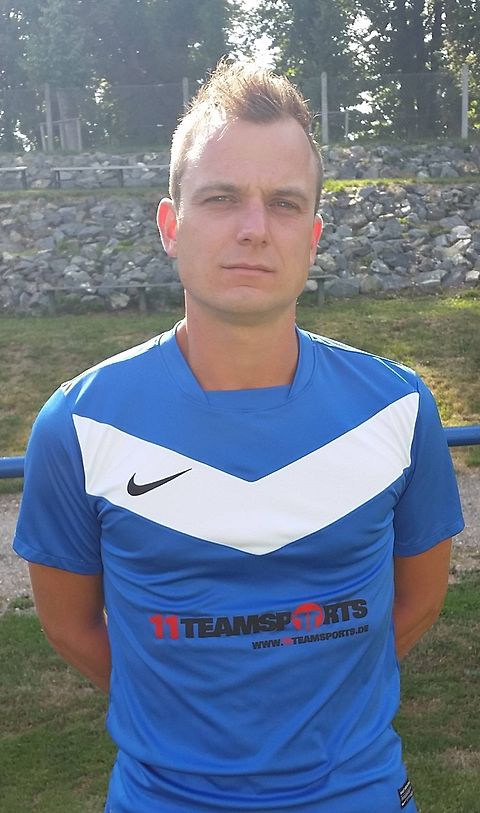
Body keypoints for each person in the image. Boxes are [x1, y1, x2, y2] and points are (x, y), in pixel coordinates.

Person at [13, 61, 464, 813]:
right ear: (171, 225)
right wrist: (179, 718)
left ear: (313, 237)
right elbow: (69, 625)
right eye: (221, 198)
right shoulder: (79, 424)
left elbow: (418, 601)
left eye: (283, 203)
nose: (253, 229)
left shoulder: (399, 409)